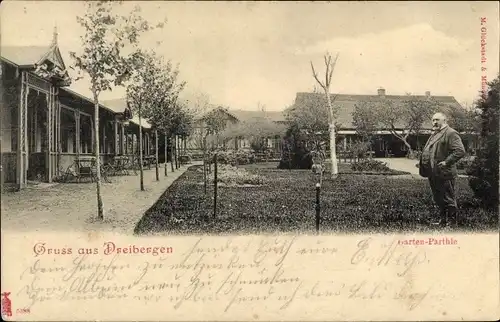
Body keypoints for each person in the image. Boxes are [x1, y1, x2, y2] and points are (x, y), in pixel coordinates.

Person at [419, 112, 466, 227]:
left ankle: (452, 223)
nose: (434, 122)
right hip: (434, 172)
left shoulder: (451, 133)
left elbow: (460, 151)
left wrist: (446, 162)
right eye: (433, 120)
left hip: (445, 172)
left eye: (437, 120)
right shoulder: (435, 133)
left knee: (448, 197)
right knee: (438, 197)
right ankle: (442, 221)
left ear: (444, 121)